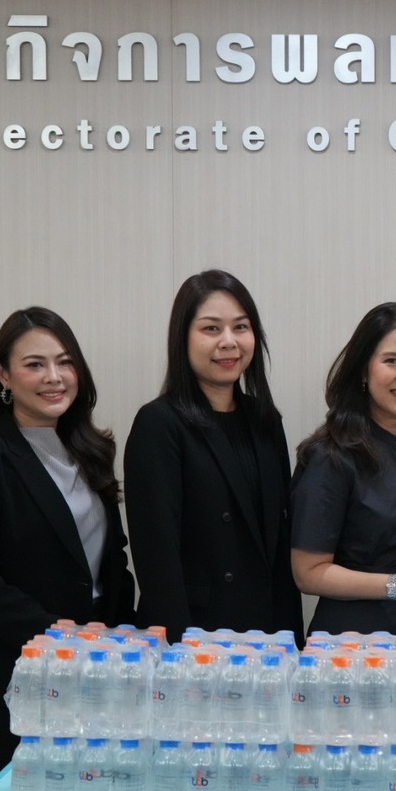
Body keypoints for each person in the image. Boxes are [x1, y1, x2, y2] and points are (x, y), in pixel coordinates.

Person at [0, 306, 135, 786]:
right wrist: (62, 636)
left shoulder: (92, 451)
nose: (54, 377)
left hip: (96, 675)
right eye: (35, 364)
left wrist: (123, 641)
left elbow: (112, 561)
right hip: (16, 678)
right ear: (4, 376)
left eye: (65, 362)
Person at [125, 270, 303, 641]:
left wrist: (290, 644)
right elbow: (158, 561)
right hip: (194, 636)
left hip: (264, 636)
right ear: (183, 338)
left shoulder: (266, 421)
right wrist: (182, 652)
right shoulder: (159, 423)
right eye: (211, 328)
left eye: (241, 327)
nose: (229, 342)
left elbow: (279, 548)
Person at [290, 302, 396, 650]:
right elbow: (308, 573)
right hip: (354, 646)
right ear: (363, 371)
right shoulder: (330, 456)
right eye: (392, 361)